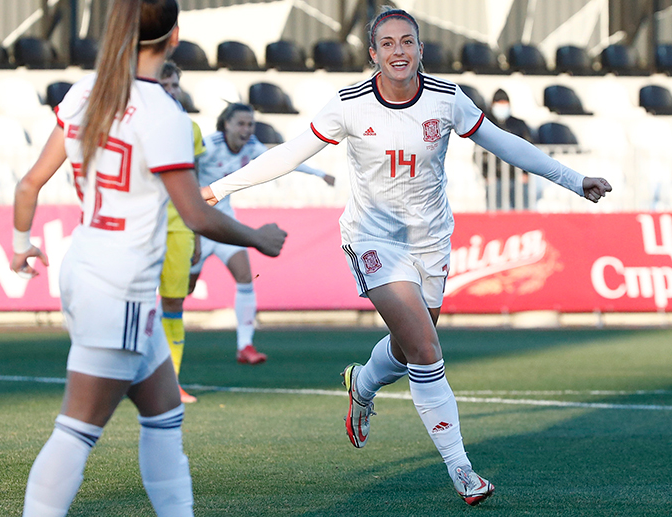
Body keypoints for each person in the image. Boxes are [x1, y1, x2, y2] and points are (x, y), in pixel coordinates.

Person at [202, 7, 611, 507]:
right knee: (426, 347)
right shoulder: (349, 104)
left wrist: (574, 179)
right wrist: (220, 188)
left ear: (420, 49)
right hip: (373, 240)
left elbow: (504, 144)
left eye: (407, 41)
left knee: (409, 346)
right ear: (373, 54)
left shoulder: (446, 98)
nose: (399, 51)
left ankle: (362, 383)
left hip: (431, 241)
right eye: (388, 43)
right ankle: (461, 469)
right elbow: (289, 153)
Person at [9, 1, 286, 515]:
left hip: (87, 265)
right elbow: (196, 214)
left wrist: (20, 243)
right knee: (76, 430)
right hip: (122, 284)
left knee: (164, 417)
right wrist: (258, 238)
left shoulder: (84, 93)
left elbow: (28, 184)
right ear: (174, 35)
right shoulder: (164, 112)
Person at [190, 102, 334, 364]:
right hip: (197, 224)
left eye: (250, 124)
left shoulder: (252, 146)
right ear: (226, 124)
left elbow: (284, 159)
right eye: (241, 124)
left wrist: (319, 173)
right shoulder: (208, 146)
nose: (246, 130)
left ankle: (245, 345)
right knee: (184, 289)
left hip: (226, 224)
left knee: (245, 277)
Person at [158, 60, 204, 403]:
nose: (171, 91)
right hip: (140, 224)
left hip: (179, 225)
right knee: (134, 303)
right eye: (164, 85)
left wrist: (198, 231)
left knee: (174, 301)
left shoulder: (191, 129)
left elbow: (194, 182)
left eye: (174, 85)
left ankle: (170, 381)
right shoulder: (132, 123)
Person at [482, 88, 535, 209]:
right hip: (495, 177)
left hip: (516, 176)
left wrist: (525, 172)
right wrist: (486, 174)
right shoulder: (486, 124)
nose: (502, 107)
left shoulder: (519, 124)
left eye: (504, 103)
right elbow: (479, 152)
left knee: (521, 211)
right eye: (499, 103)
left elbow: (528, 149)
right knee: (494, 212)